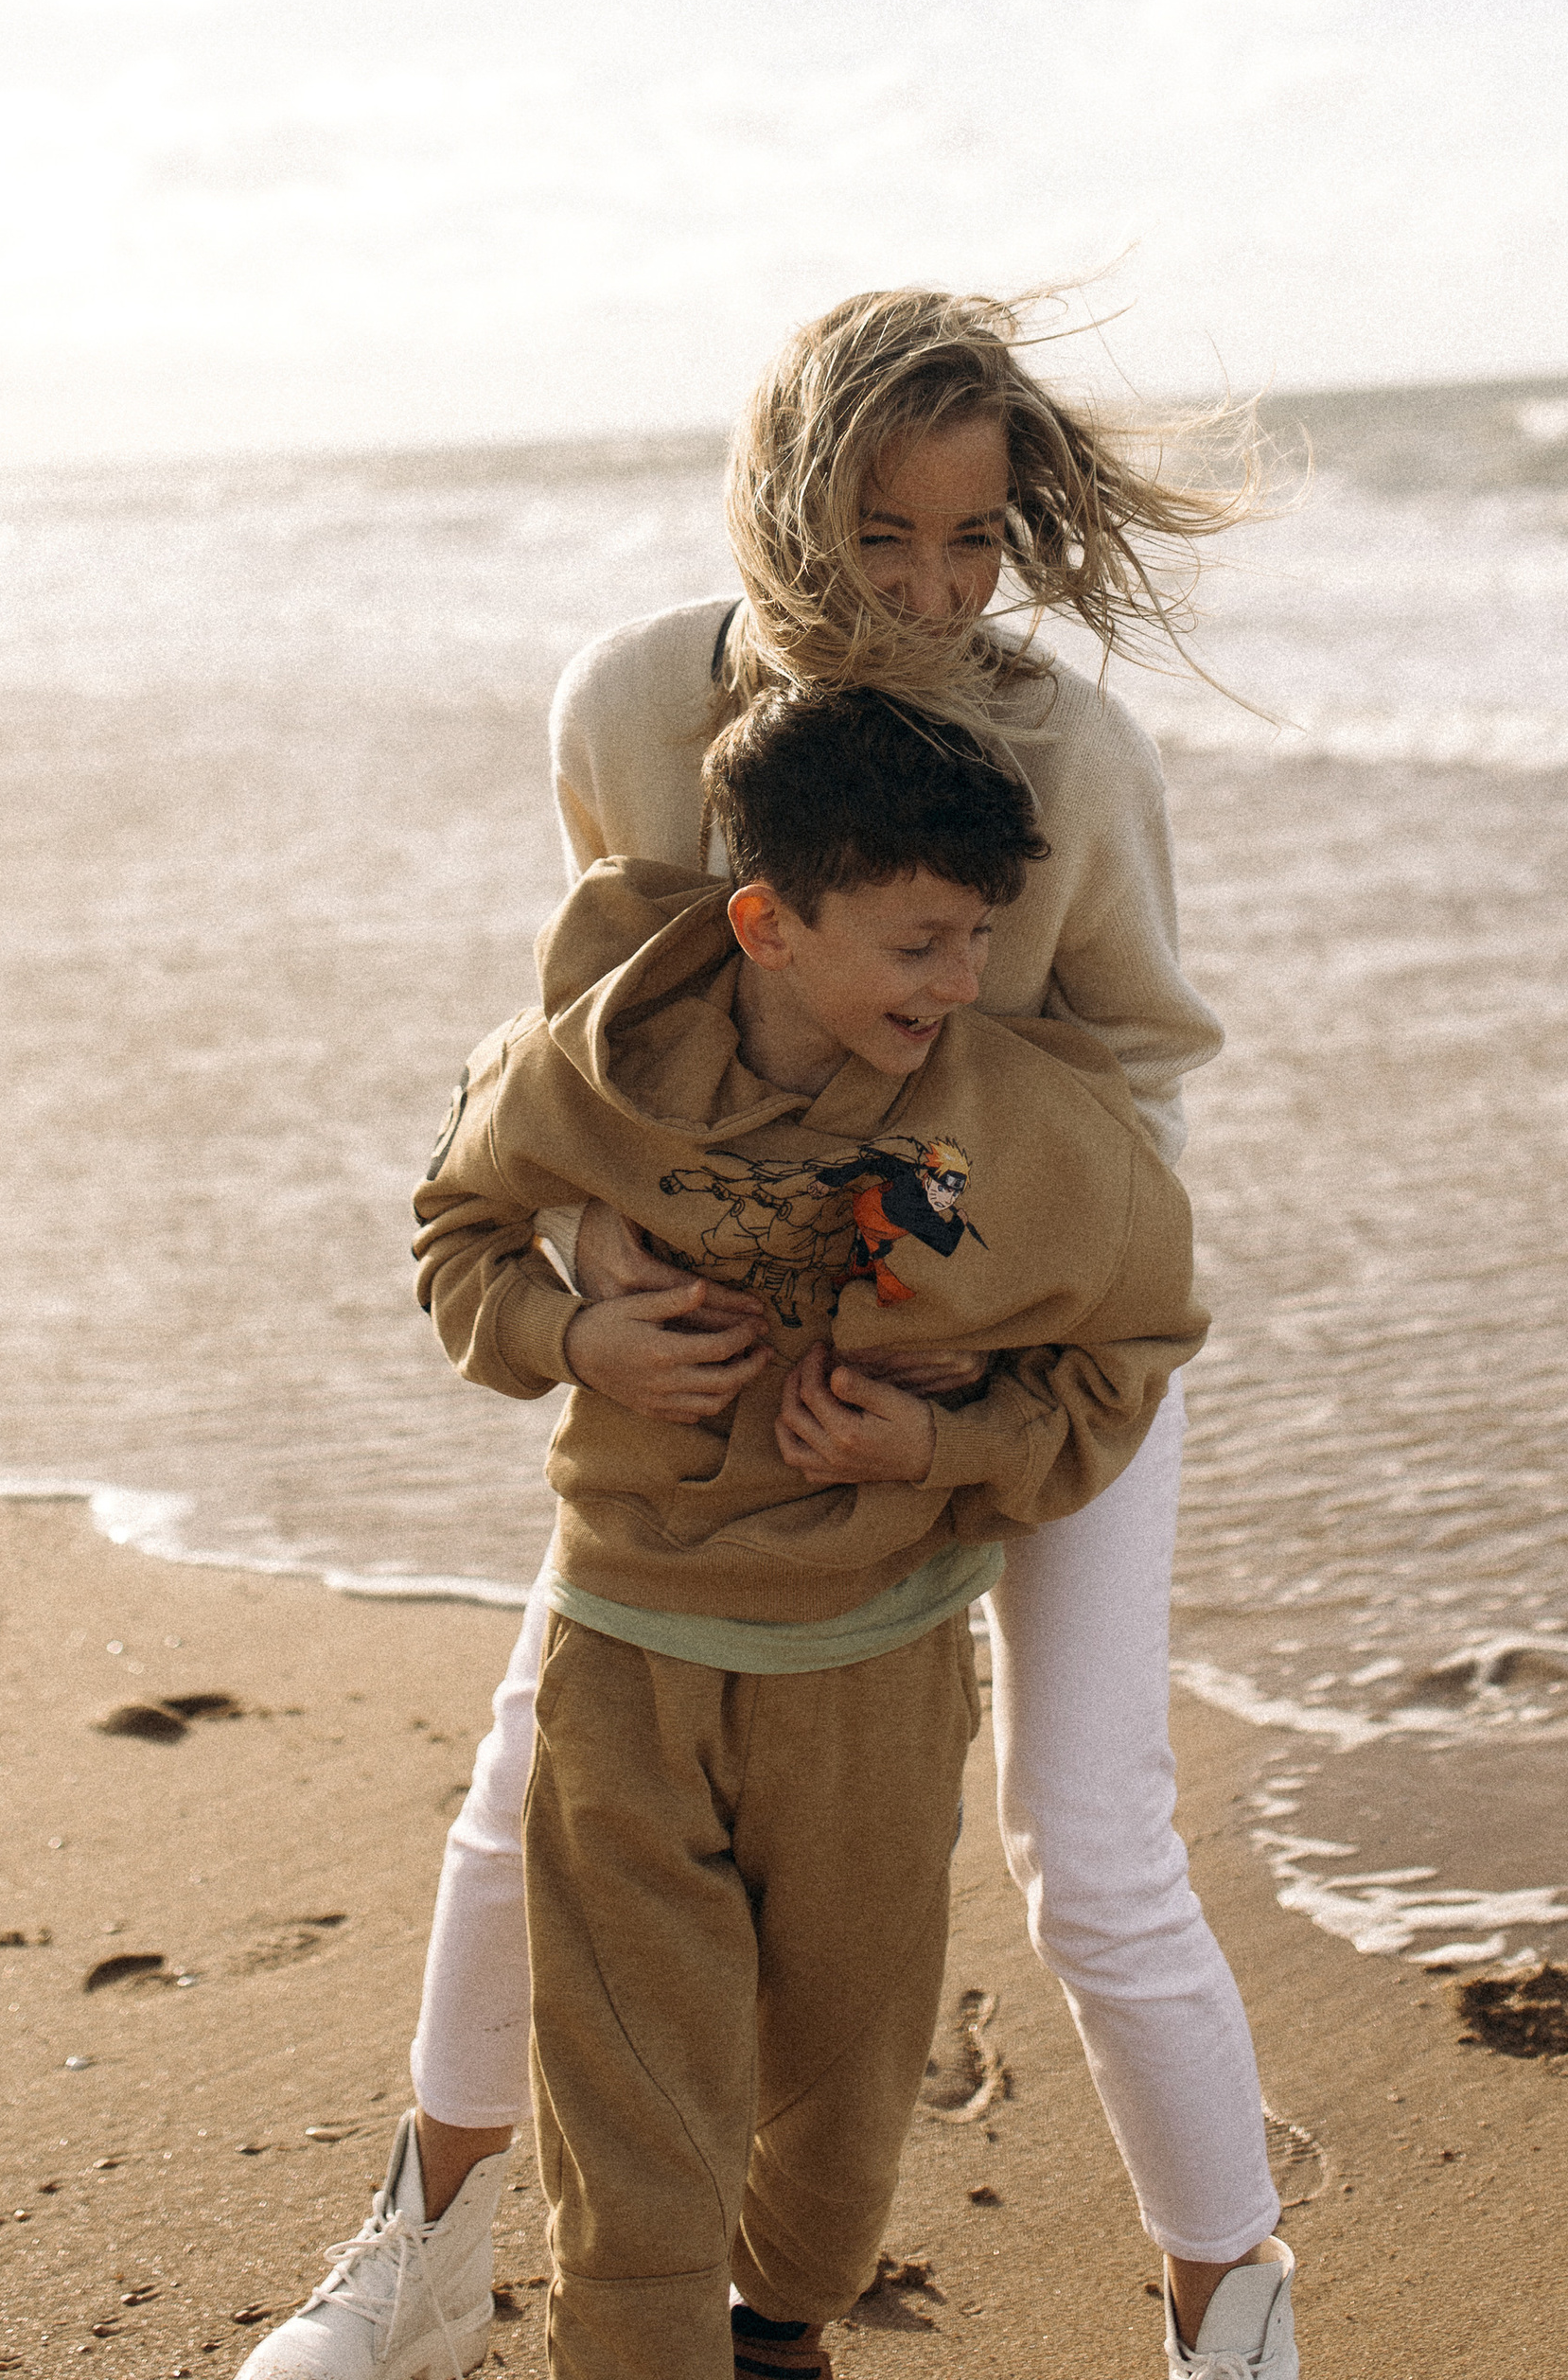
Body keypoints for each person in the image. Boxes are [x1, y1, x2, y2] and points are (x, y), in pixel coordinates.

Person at [238, 289, 1296, 2380]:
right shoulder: (634, 703)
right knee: (529, 1776)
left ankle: (1232, 2324)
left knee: (1089, 1848)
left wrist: (979, 1339)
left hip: (1034, 1320)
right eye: (877, 536)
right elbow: (602, 1029)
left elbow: (1139, 1080)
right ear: (778, 509)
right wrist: (586, 1264)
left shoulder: (1070, 752)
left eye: (974, 541)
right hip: (727, 1348)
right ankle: (419, 2261)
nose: (927, 591)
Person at [415, 681, 1211, 2380]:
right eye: (920, 944)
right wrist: (576, 1334)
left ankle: (780, 2330)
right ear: (767, 924)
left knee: (844, 2108)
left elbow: (1135, 1352)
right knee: (633, 2098)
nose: (962, 981)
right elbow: (458, 1226)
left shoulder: (1033, 1129)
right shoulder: (590, 1068)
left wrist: (944, 1440)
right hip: (627, 1649)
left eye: (982, 938)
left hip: (875, 1667)